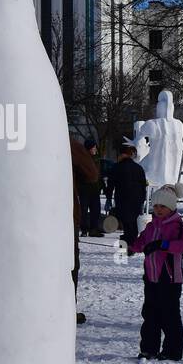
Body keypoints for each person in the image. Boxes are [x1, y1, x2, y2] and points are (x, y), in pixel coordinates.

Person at [127, 185, 183, 360]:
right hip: (151, 277)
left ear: (171, 207)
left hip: (169, 278)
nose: (158, 209)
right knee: (150, 313)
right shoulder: (151, 226)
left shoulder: (176, 225)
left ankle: (172, 350)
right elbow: (141, 242)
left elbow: (181, 246)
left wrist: (163, 245)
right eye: (156, 206)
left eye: (163, 206)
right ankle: (149, 348)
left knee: (169, 315)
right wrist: (130, 247)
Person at [71, 136, 100, 324]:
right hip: (63, 216)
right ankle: (66, 309)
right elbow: (91, 174)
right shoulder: (66, 142)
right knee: (69, 265)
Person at [109, 143, 147, 248]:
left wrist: (108, 197)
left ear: (121, 155)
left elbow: (111, 184)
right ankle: (133, 244)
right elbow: (143, 185)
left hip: (122, 199)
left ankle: (126, 245)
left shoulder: (116, 167)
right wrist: (142, 199)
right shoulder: (138, 168)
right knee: (133, 223)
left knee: (126, 224)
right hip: (136, 200)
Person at [81, 138, 104, 236]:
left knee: (95, 210)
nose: (95, 149)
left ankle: (93, 229)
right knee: (84, 210)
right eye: (93, 147)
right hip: (85, 189)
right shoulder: (83, 159)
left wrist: (102, 185)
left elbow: (99, 175)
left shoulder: (96, 159)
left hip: (94, 189)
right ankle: (84, 229)